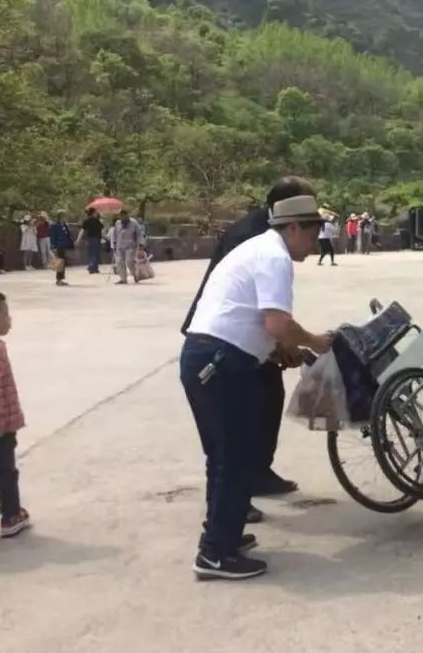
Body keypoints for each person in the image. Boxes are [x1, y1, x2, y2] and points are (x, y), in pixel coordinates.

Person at [182, 194, 332, 580]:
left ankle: (223, 536)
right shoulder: (275, 257)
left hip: (209, 357)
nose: (318, 240)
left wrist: (281, 352)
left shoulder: (260, 247)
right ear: (294, 227)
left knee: (225, 457)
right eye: (314, 230)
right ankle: (215, 554)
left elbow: (258, 323)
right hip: (221, 363)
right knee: (236, 457)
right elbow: (278, 324)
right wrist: (314, 341)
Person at [182, 178, 316, 506]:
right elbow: (267, 315)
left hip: (233, 338)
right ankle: (235, 506)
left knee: (262, 406)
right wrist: (290, 344)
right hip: (225, 341)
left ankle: (252, 480)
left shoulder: (266, 233)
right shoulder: (260, 241)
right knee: (231, 441)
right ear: (291, 218)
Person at [0, 291, 29, 538]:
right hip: (1, 427)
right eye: (6, 314)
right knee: (6, 471)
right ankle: (11, 515)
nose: (10, 319)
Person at [112, 210, 144, 284]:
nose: (123, 217)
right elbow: (114, 234)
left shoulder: (133, 222)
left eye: (124, 215)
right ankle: (123, 279)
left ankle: (135, 274)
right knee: (119, 262)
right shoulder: (117, 223)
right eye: (121, 216)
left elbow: (139, 234)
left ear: (127, 215)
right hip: (120, 246)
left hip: (130, 245)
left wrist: (141, 244)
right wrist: (114, 243)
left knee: (129, 261)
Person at [49, 212, 74, 287]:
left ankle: (61, 279)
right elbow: (53, 237)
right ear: (60, 217)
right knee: (60, 263)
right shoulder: (55, 226)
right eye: (64, 216)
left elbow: (67, 235)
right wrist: (53, 246)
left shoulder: (65, 225)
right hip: (58, 246)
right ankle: (58, 279)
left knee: (62, 263)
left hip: (64, 245)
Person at [79, 208, 104, 274]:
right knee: (94, 253)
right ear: (93, 213)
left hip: (90, 238)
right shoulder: (96, 221)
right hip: (95, 238)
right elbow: (102, 228)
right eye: (96, 212)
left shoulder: (87, 220)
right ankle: (91, 267)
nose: (97, 213)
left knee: (92, 253)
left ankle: (95, 267)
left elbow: (82, 230)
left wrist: (78, 239)